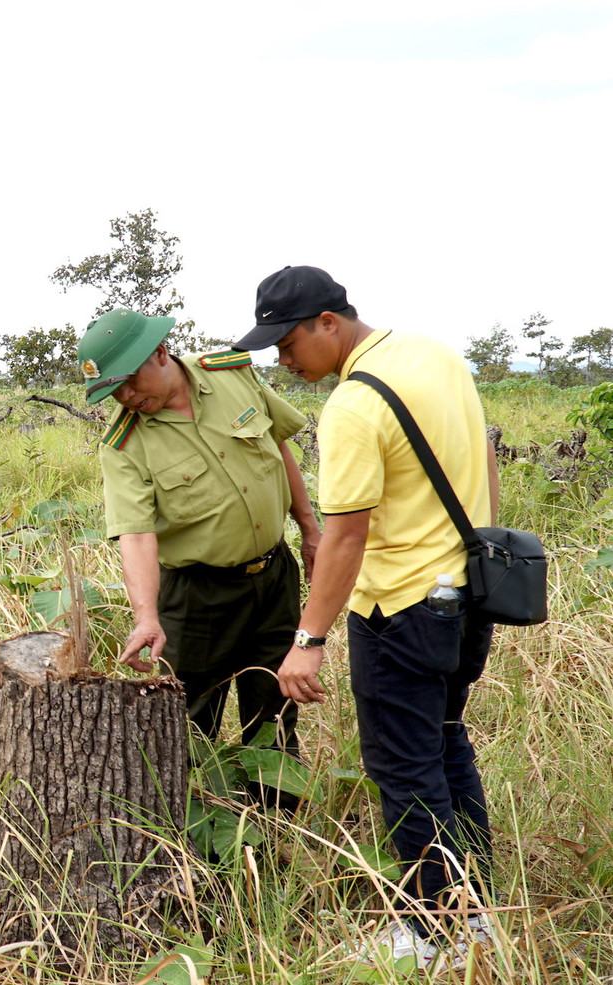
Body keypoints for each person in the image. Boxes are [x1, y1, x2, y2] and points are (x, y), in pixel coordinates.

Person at [233, 266, 500, 968]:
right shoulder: (435, 356)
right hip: (467, 594)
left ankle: (434, 931)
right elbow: (485, 459)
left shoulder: (353, 405)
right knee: (446, 745)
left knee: (404, 767)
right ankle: (476, 916)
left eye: (288, 343)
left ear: (329, 321)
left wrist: (308, 639)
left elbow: (345, 537)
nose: (283, 361)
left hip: (400, 607)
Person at [78, 309, 320, 778]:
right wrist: (146, 617)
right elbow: (136, 533)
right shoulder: (123, 443)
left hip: (274, 578)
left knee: (274, 714)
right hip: (197, 597)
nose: (126, 398)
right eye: (113, 391)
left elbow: (278, 447)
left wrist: (310, 531)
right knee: (186, 727)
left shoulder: (232, 374)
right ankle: (196, 820)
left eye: (128, 382)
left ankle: (272, 819)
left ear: (160, 353)